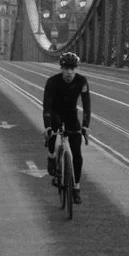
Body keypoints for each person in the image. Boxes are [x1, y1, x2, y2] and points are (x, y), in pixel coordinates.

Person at [43, 51, 91, 205]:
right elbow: (47, 107)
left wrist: (85, 127)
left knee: (77, 153)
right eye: (66, 68)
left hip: (71, 115)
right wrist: (47, 126)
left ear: (76, 68)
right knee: (52, 133)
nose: (69, 72)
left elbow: (87, 106)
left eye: (72, 68)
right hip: (55, 113)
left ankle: (76, 188)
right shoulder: (52, 82)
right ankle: (51, 157)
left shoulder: (82, 82)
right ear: (61, 68)